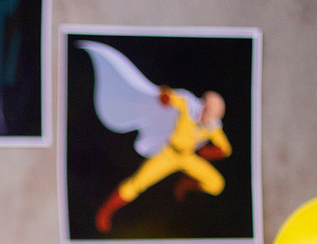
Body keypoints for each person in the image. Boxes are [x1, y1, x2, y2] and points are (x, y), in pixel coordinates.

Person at [95, 87, 231, 233]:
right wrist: (165, 96)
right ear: (204, 106)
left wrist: (206, 152)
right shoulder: (188, 106)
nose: (211, 119)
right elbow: (167, 96)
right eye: (210, 114)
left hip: (187, 157)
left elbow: (225, 149)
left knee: (216, 184)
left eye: (214, 116)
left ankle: (185, 184)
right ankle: (106, 210)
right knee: (138, 183)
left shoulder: (213, 126)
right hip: (169, 153)